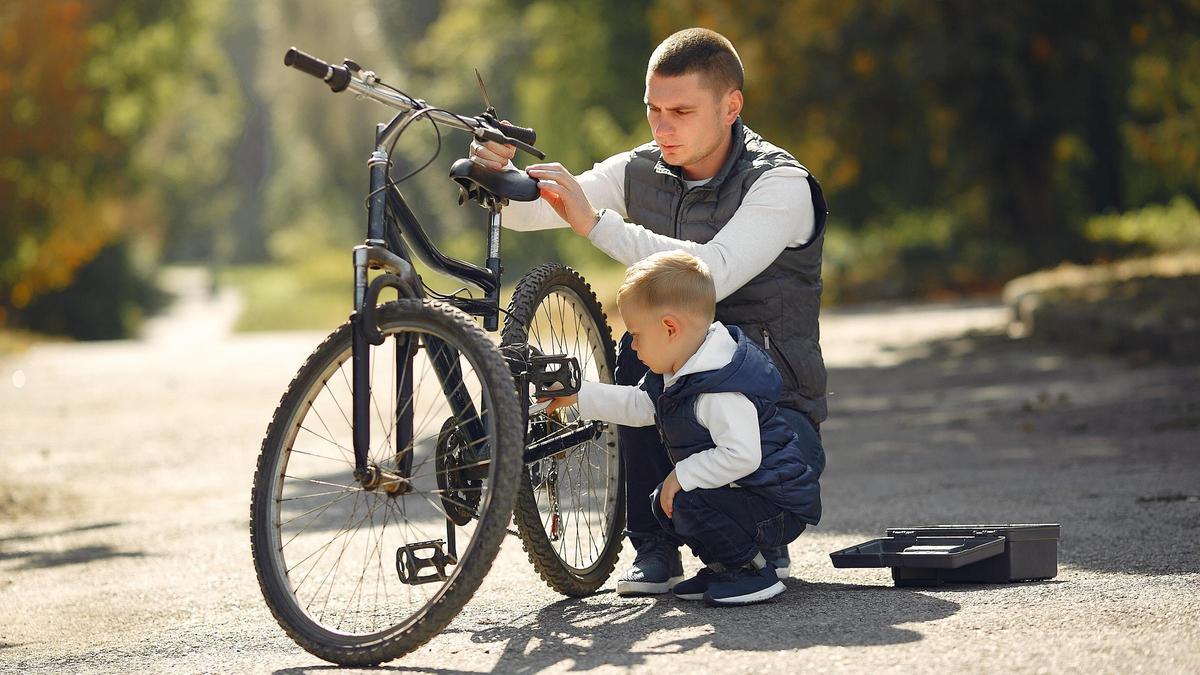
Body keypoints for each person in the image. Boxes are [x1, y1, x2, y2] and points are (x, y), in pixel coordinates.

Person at [472, 27, 829, 595]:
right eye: (653, 110)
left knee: (748, 503)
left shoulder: (780, 183)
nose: (663, 127)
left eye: (682, 111)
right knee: (638, 354)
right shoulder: (640, 168)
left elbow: (711, 273)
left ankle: (756, 541)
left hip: (772, 405)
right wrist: (498, 177)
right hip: (681, 387)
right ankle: (655, 551)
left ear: (731, 106)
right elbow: (536, 214)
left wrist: (595, 224)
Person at [543, 250, 820, 606]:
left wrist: (681, 475)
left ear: (670, 328)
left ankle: (751, 572)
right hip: (745, 495)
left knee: (682, 499)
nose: (634, 346)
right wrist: (579, 396)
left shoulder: (718, 386)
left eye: (637, 335)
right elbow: (639, 405)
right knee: (667, 502)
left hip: (775, 505)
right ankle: (725, 564)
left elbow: (743, 456)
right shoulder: (680, 371)